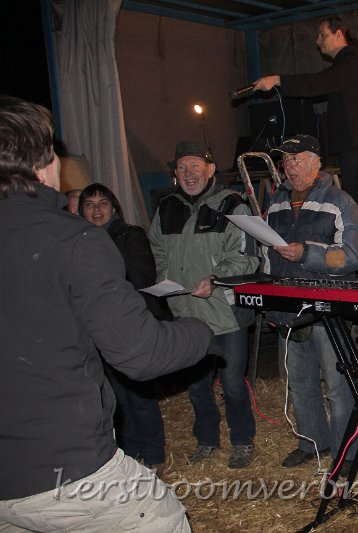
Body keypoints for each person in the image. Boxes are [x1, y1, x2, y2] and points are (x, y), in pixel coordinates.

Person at [0, 96, 212, 531]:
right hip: (63, 465)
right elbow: (142, 354)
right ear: (45, 164)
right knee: (164, 518)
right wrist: (200, 330)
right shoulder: (73, 240)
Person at [149, 141, 259, 469]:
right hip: (186, 312)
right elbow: (157, 249)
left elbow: (247, 256)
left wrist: (215, 277)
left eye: (195, 166)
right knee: (197, 385)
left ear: (210, 170)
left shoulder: (234, 205)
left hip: (225, 311)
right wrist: (165, 280)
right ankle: (207, 439)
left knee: (233, 385)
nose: (188, 173)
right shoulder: (166, 207)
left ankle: (242, 441)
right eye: (182, 167)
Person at [263, 134, 358, 473]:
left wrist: (309, 254)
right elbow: (265, 256)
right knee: (301, 383)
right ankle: (311, 442)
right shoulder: (276, 202)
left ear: (316, 162)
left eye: (298, 158)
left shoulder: (340, 202)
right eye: (286, 160)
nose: (290, 166)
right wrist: (270, 305)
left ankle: (345, 453)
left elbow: (351, 257)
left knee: (337, 388)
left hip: (328, 311)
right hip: (288, 307)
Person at [253, 16, 358, 269]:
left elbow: (318, 82)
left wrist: (278, 80)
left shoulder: (351, 63)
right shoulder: (350, 64)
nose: (317, 41)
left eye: (322, 35)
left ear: (339, 34)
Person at [78, 183, 171, 475]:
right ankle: (129, 457)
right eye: (89, 204)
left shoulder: (130, 235)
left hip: (130, 326)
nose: (96, 209)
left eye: (102, 203)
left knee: (138, 395)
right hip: (94, 329)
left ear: (114, 208)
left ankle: (154, 457)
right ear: (80, 210)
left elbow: (141, 276)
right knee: (113, 399)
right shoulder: (76, 241)